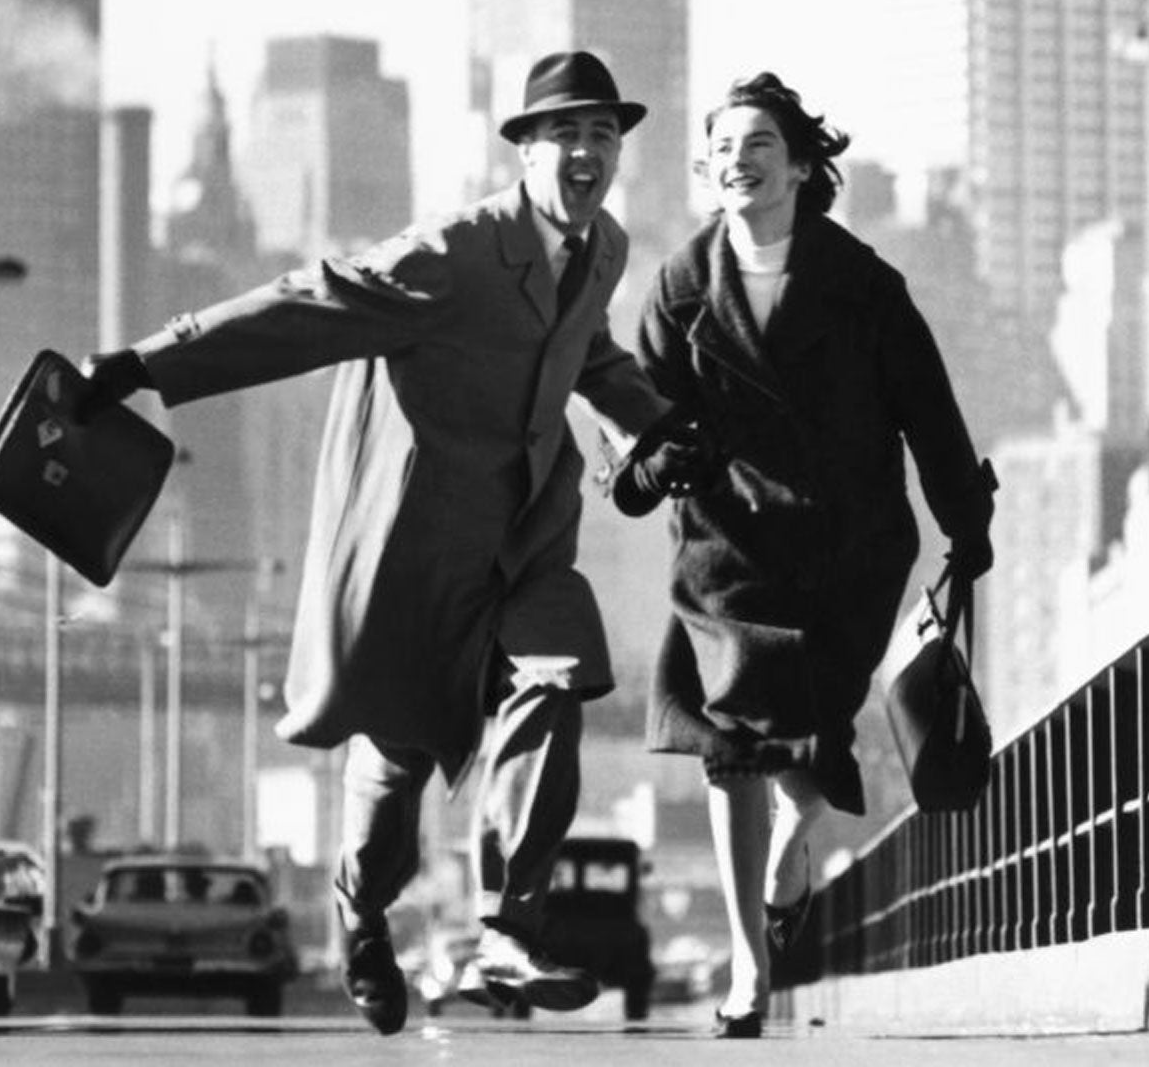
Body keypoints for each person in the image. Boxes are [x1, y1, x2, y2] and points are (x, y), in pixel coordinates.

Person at [75, 50, 681, 1036]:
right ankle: (361, 915)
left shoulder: (603, 246)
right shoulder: (452, 252)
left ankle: (508, 933)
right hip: (419, 552)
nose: (586, 152)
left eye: (603, 136)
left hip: (529, 541)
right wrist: (144, 362)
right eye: (564, 133)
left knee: (558, 682)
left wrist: (652, 423)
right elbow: (308, 305)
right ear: (523, 150)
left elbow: (589, 353)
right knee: (394, 768)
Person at [611, 71, 997, 1039]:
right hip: (725, 548)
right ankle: (749, 969)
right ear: (705, 169)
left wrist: (963, 518)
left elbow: (927, 411)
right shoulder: (679, 286)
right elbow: (637, 412)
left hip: (845, 549)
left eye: (758, 147)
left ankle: (793, 850)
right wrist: (647, 467)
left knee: (808, 745)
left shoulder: (864, 286)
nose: (737, 163)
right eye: (722, 150)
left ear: (798, 167)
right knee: (726, 748)